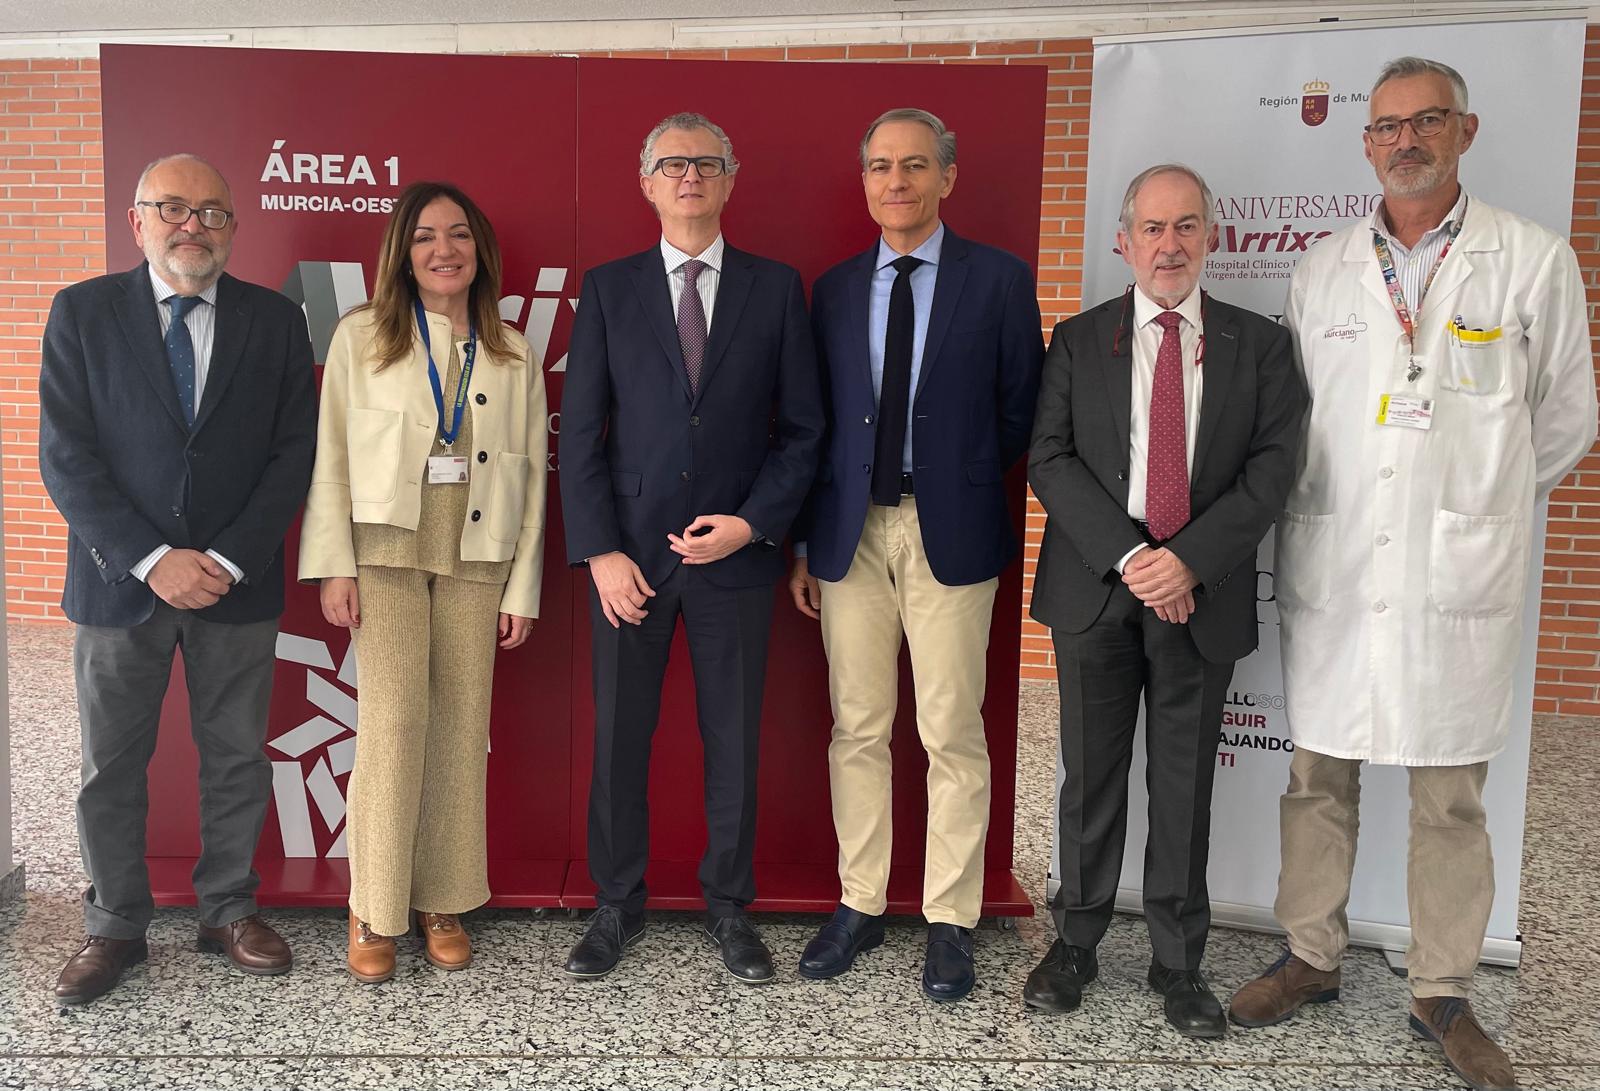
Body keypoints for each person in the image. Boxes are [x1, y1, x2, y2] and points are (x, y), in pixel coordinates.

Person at [1229, 57, 1596, 1091]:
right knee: (1316, 779)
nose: (1405, 139)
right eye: (1386, 125)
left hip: (1454, 571)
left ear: (1464, 131)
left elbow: (1563, 421)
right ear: (1365, 143)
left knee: (1449, 797)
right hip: (1338, 559)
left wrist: (1470, 504)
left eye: (1425, 120)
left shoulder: (1529, 259)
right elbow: (1296, 417)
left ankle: (1441, 987)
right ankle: (1308, 954)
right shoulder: (1324, 266)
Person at [1022, 162, 1304, 1035]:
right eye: (1153, 227)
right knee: (1090, 778)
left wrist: (1186, 562)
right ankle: (1074, 943)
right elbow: (1049, 457)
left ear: (1211, 237)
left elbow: (1272, 470)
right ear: (1124, 240)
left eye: (1186, 226)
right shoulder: (1077, 338)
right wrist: (1135, 556)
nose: (1169, 244)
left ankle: (1179, 963)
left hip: (1200, 593)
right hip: (1098, 591)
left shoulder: (1260, 345)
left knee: (1183, 788)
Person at [38, 153, 318, 1004]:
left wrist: (227, 558)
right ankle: (115, 923)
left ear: (234, 226)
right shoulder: (82, 313)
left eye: (212, 211)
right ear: (138, 219)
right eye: (172, 208)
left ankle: (227, 908)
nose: (192, 225)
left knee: (235, 756)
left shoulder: (275, 321)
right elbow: (67, 457)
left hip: (238, 583)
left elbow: (290, 456)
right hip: (120, 585)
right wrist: (154, 558)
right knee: (110, 765)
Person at [561, 112, 823, 985]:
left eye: (705, 163)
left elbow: (803, 432)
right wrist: (599, 550)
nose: (688, 177)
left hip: (737, 557)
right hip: (629, 561)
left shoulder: (776, 287)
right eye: (671, 164)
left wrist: (755, 524)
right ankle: (615, 902)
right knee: (617, 740)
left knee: (734, 739)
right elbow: (582, 434)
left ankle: (729, 907)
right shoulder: (607, 288)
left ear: (730, 177)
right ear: (646, 181)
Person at [789, 107, 1043, 1002]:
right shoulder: (831, 288)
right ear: (864, 182)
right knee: (857, 725)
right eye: (880, 167)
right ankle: (859, 902)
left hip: (952, 531)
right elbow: (814, 424)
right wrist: (804, 544)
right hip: (849, 533)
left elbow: (1020, 409)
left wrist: (957, 477)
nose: (895, 182)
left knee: (950, 731)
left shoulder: (1000, 281)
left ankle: (949, 918)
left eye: (914, 166)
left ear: (947, 177)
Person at [298, 181, 547, 984]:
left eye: (460, 236)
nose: (445, 250)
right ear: (402, 253)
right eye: (426, 237)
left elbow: (536, 478)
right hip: (386, 554)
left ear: (481, 252)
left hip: (479, 557)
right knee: (394, 725)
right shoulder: (363, 337)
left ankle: (441, 897)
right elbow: (330, 454)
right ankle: (374, 904)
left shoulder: (511, 348)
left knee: (459, 731)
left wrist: (522, 588)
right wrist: (334, 561)